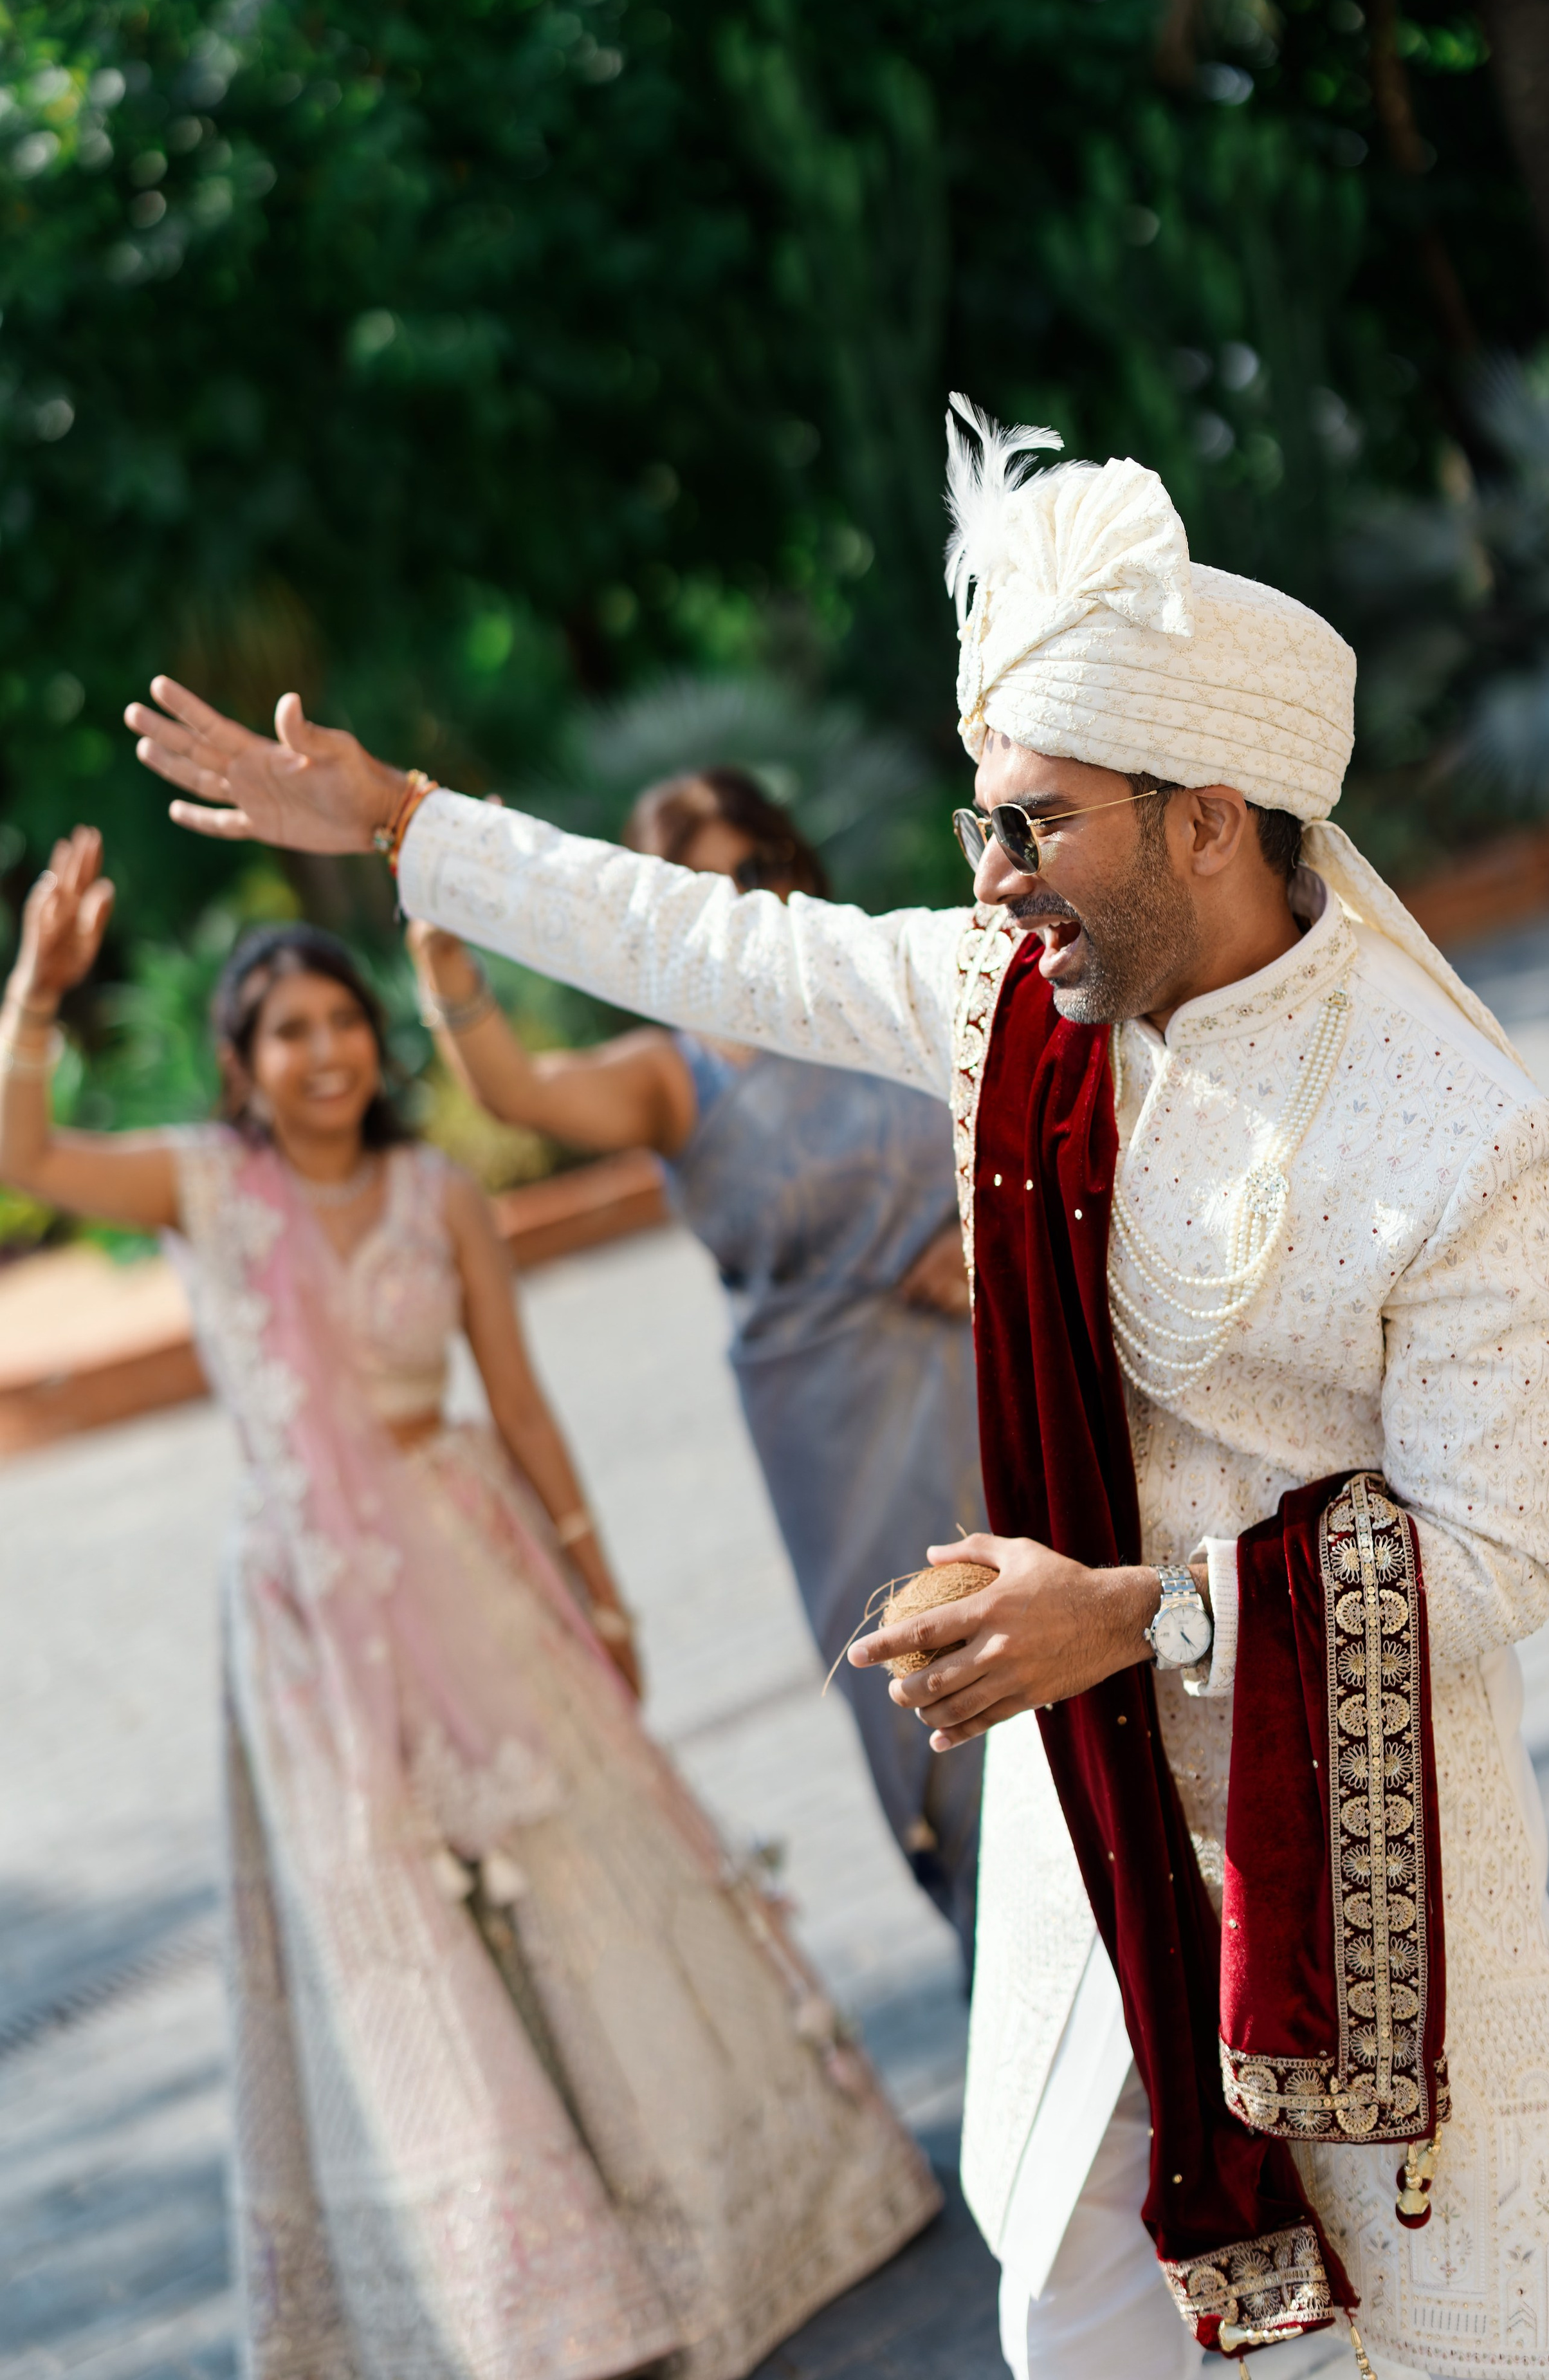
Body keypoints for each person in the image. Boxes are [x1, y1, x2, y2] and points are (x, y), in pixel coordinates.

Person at [124, 396, 1549, 2380]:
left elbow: (1499, 1552)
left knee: (1463, 2336)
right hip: (1098, 1823)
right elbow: (713, 945)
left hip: (1372, 1852)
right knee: (1081, 2318)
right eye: (980, 823)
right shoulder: (1013, 1011)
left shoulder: (1462, 1140)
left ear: (1208, 815)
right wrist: (411, 821)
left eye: (1039, 822)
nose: (997, 878)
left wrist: (1139, 1615)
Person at [0, 827, 938, 2380]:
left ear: (376, 1043)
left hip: (473, 1567)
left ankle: (711, 2220)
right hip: (308, 1616)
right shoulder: (204, 1185)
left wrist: (603, 1591)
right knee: (395, 1932)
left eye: (342, 1021)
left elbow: (520, 1402)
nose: (323, 1052)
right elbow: (27, 1156)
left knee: (580, 1876)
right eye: (288, 1031)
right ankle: (521, 2299)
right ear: (240, 1062)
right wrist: (35, 992)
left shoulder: (436, 1192)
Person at [407, 762, 986, 1959]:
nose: (740, 901)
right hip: (837, 1439)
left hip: (998, 1381)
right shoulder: (678, 1075)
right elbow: (519, 1091)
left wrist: (989, 1240)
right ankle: (1002, 1975)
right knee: (936, 1715)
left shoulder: (883, 991)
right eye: (701, 884)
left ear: (795, 865)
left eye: (756, 869)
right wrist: (445, 951)